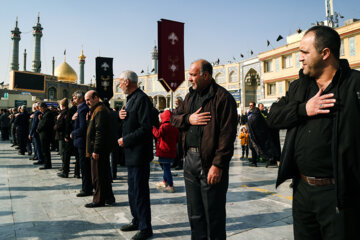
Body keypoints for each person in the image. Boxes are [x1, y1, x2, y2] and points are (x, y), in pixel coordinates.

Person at [267, 25, 360, 240]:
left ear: (325, 53)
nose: (300, 58)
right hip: (302, 192)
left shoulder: (354, 85)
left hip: (339, 195)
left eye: (305, 52)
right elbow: (273, 117)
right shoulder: (300, 87)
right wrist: (303, 109)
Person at [171, 59, 238, 239]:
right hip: (190, 161)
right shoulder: (189, 97)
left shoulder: (222, 98)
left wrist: (218, 165)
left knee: (213, 216)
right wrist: (188, 119)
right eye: (189, 75)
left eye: (193, 75)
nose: (190, 79)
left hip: (209, 164)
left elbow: (227, 136)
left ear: (206, 75)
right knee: (195, 213)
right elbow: (174, 118)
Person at [118, 70, 153, 240]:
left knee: (140, 192)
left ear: (127, 82)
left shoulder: (142, 99)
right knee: (132, 191)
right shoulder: (130, 99)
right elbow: (130, 121)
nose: (119, 85)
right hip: (131, 155)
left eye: (120, 82)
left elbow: (146, 128)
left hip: (139, 155)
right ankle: (136, 220)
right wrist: (120, 115)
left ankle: (146, 227)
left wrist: (126, 140)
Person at [84, 90, 115, 208]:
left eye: (88, 99)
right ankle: (108, 197)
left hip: (99, 150)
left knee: (97, 176)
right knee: (104, 174)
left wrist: (96, 150)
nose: (87, 102)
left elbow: (99, 132)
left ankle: (98, 200)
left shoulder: (100, 111)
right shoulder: (97, 110)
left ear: (96, 97)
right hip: (102, 148)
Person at [71, 91, 93, 196]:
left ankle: (86, 189)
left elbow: (83, 128)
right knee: (84, 166)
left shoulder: (83, 109)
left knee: (84, 167)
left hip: (82, 142)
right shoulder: (80, 109)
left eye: (75, 98)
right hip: (80, 142)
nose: (73, 100)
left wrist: (73, 134)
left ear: (80, 99)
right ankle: (87, 187)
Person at [152, 110, 179, 193]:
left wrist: (153, 128)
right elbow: (177, 139)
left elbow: (157, 134)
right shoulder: (174, 126)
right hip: (171, 151)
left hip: (164, 151)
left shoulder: (164, 126)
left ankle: (170, 186)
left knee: (166, 169)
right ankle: (165, 182)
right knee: (165, 167)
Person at [36, 102, 55, 169]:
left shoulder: (48, 114)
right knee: (44, 150)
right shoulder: (45, 114)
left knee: (45, 150)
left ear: (44, 107)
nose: (40, 110)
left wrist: (38, 129)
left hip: (46, 134)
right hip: (44, 134)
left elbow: (44, 124)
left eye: (40, 108)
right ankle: (46, 163)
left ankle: (47, 164)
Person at [55, 98, 70, 178]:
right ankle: (64, 167)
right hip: (63, 135)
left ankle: (65, 170)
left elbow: (61, 125)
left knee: (63, 153)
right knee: (63, 153)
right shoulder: (64, 112)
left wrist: (55, 126)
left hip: (62, 135)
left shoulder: (64, 113)